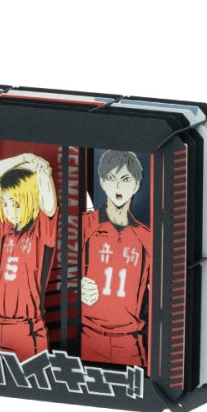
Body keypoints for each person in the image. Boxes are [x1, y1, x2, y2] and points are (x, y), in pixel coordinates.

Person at [0, 153, 58, 361]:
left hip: (26, 327)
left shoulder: (41, 228)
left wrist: (40, 168)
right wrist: (24, 158)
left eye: (15, 204)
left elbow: (48, 202)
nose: (9, 210)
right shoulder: (6, 226)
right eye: (5, 203)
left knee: (29, 379)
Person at [80, 150, 151, 366]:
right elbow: (54, 272)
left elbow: (160, 294)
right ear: (102, 182)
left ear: (136, 185)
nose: (118, 186)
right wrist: (76, 287)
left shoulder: (147, 237)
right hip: (87, 336)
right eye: (111, 178)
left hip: (129, 341)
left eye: (126, 179)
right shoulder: (84, 225)